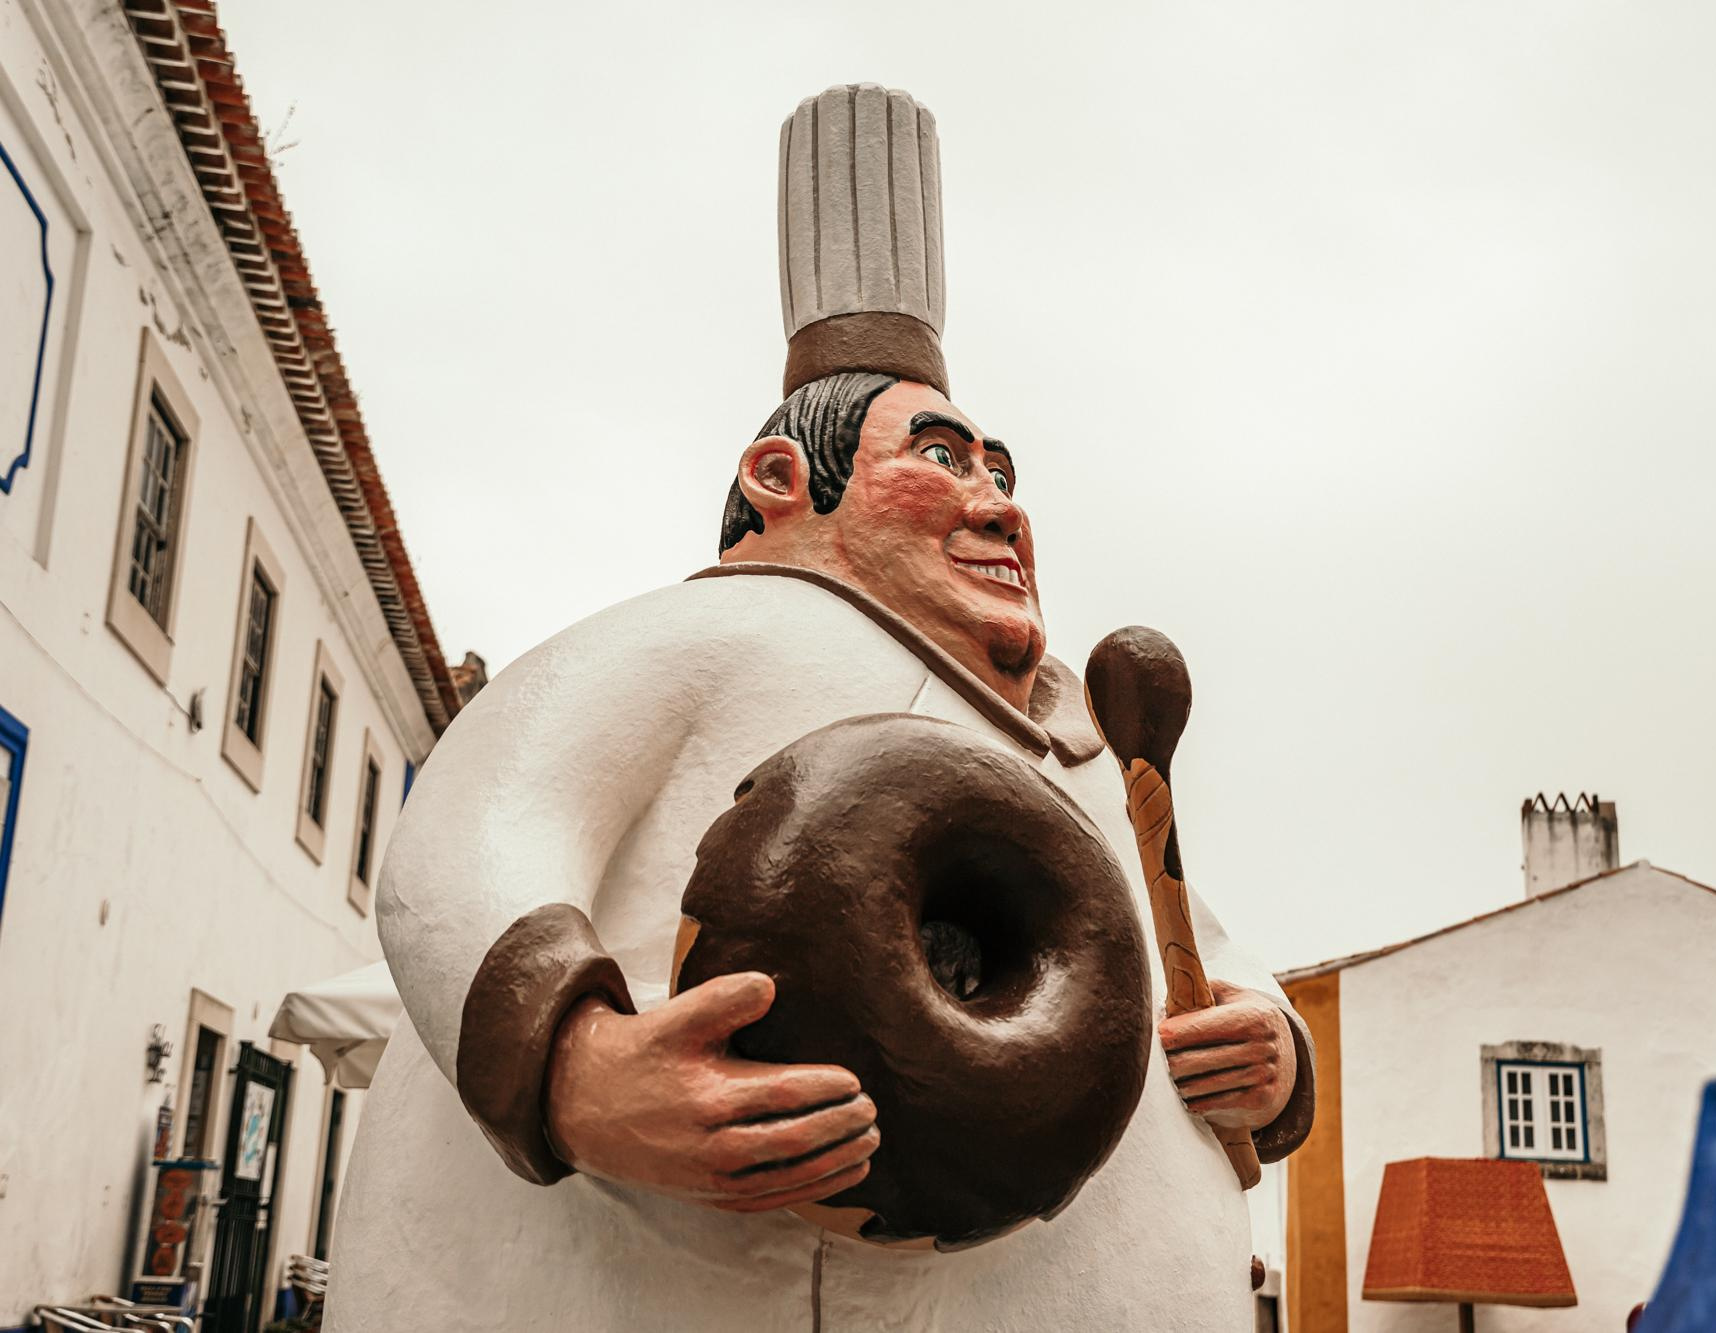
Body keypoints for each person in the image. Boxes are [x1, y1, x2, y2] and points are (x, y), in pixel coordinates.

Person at [327, 86, 1312, 1331]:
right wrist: (575, 1067)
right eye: (944, 459)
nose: (1001, 504)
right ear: (782, 481)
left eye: (1004, 475)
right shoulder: (694, 640)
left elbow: (1201, 958)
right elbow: (477, 834)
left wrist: (1268, 1054)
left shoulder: (1080, 752)